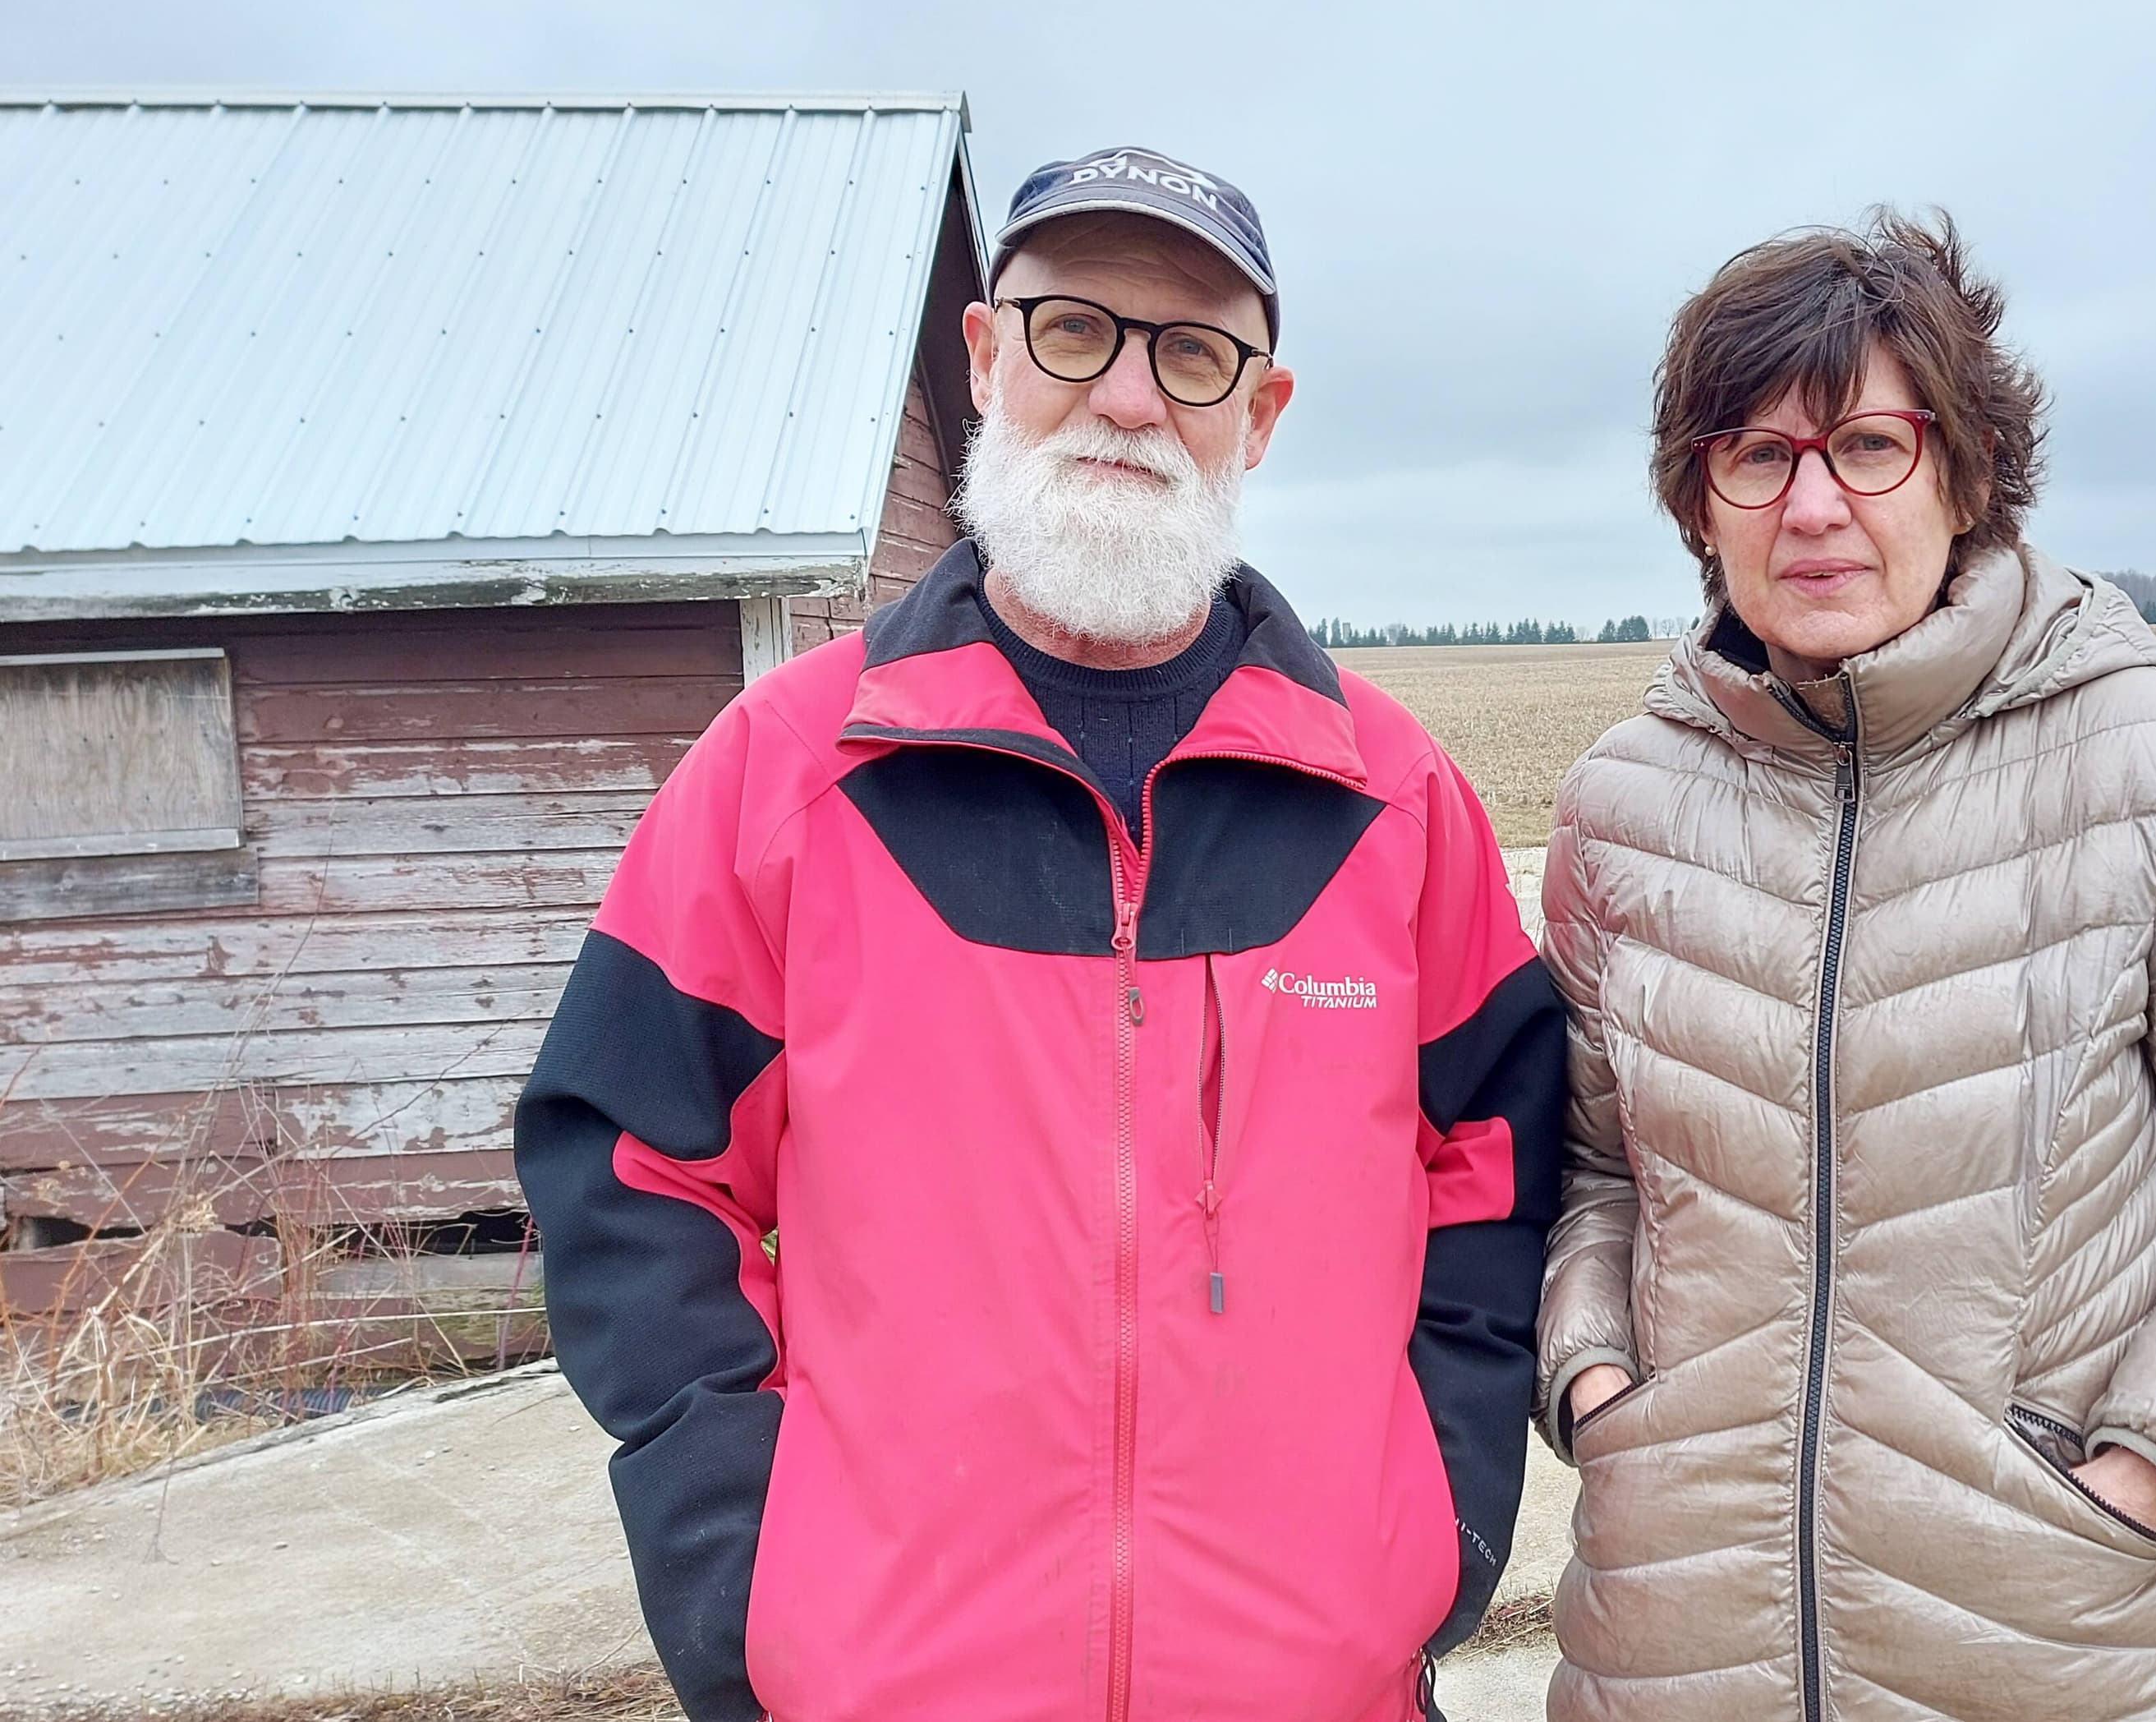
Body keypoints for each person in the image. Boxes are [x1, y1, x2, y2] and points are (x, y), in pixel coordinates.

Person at [517, 145, 1562, 1722]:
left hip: (1317, 1686)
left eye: (1193, 352)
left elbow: (1498, 1160)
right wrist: (750, 1577)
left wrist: (1440, 1512)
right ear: (989, 357)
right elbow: (629, 1169)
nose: (1129, 399)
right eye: (1075, 329)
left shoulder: (1391, 799)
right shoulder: (793, 772)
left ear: (1259, 415)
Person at [1533, 211, 2156, 1720]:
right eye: (1755, 455)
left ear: (1965, 472)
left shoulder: (2154, 762)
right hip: (1685, 1648)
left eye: (1869, 446)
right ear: (1702, 503)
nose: (1813, 505)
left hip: (2080, 1643)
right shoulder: (1625, 802)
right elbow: (1597, 1169)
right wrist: (1608, 1390)